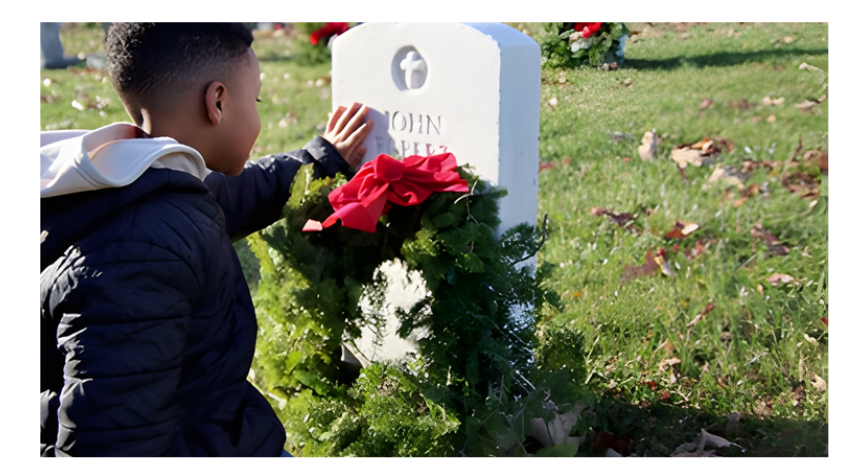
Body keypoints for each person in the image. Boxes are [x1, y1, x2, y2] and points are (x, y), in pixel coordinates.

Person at [40, 23, 373, 456]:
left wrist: (319, 160)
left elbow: (228, 196)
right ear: (217, 102)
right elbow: (112, 443)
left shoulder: (141, 180)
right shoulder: (142, 256)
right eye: (255, 100)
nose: (259, 114)